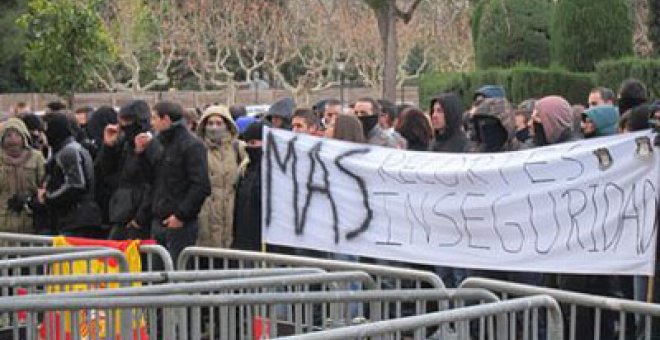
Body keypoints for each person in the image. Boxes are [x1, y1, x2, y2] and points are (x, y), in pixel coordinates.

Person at [136, 101, 211, 265]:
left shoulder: (192, 145)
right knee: (157, 276)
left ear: (166, 119)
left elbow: (201, 185)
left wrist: (180, 215)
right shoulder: (159, 144)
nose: (151, 123)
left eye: (155, 118)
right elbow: (151, 179)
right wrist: (141, 155)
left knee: (178, 272)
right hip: (158, 220)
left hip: (180, 224)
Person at [96, 100, 153, 240]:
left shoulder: (153, 145)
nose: (124, 127)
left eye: (128, 122)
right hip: (121, 212)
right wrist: (108, 147)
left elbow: (153, 183)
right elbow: (106, 172)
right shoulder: (124, 144)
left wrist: (140, 217)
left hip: (141, 217)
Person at [39, 113, 102, 237]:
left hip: (75, 220)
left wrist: (48, 197)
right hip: (79, 217)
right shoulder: (71, 149)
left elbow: (75, 185)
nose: (42, 136)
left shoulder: (68, 152)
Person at [196, 105, 247, 248]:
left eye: (219, 123)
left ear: (228, 125)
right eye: (210, 123)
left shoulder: (239, 149)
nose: (214, 127)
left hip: (232, 211)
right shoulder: (197, 149)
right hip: (205, 216)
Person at [0, 118, 46, 234]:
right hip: (3, 220)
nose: (12, 139)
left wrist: (33, 200)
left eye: (16, 134)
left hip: (31, 218)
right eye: (8, 135)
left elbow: (44, 184)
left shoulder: (36, 157)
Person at [233, 121, 265, 251]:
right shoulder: (245, 169)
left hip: (261, 237)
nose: (249, 147)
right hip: (244, 234)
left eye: (253, 143)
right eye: (247, 143)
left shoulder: (271, 169)